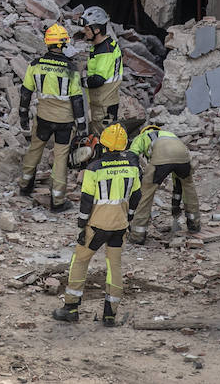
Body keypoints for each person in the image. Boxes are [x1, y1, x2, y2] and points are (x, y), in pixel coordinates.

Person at [52, 123, 141, 327]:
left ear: (105, 146)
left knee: (80, 261)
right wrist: (129, 218)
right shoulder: (132, 167)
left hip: (96, 226)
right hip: (119, 226)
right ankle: (110, 314)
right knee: (114, 267)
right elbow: (136, 196)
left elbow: (86, 200)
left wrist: (82, 226)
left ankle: (71, 308)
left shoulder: (94, 168)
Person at [18, 23, 86, 212]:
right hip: (64, 121)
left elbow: (25, 92)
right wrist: (81, 126)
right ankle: (57, 201)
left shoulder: (35, 65)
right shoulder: (70, 69)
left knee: (35, 149)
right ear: (64, 44)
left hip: (43, 117)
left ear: (47, 43)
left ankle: (25, 186)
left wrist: (23, 114)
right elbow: (77, 99)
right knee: (61, 158)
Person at [126, 124, 200, 244]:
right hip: (183, 156)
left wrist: (137, 175)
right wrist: (175, 207)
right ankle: (194, 225)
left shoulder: (141, 137)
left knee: (145, 194)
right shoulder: (170, 135)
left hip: (161, 156)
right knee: (189, 187)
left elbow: (131, 155)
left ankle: (137, 235)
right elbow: (178, 185)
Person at [80, 6, 123, 134]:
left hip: (104, 106)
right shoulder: (100, 47)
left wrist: (78, 81)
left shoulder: (105, 51)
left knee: (105, 138)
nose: (84, 31)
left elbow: (98, 80)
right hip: (102, 103)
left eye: (87, 29)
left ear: (97, 30)